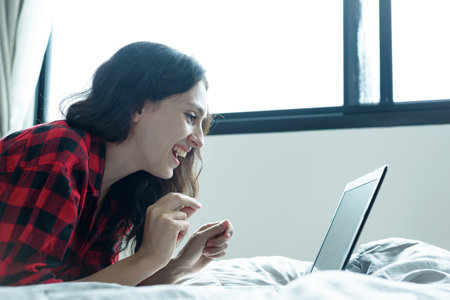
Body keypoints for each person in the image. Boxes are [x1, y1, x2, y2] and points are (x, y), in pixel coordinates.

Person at [0, 41, 234, 286]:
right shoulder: (61, 150)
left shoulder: (120, 190)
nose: (199, 140)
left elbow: (92, 287)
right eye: (190, 116)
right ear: (137, 107)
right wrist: (148, 257)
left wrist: (179, 266)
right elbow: (21, 290)